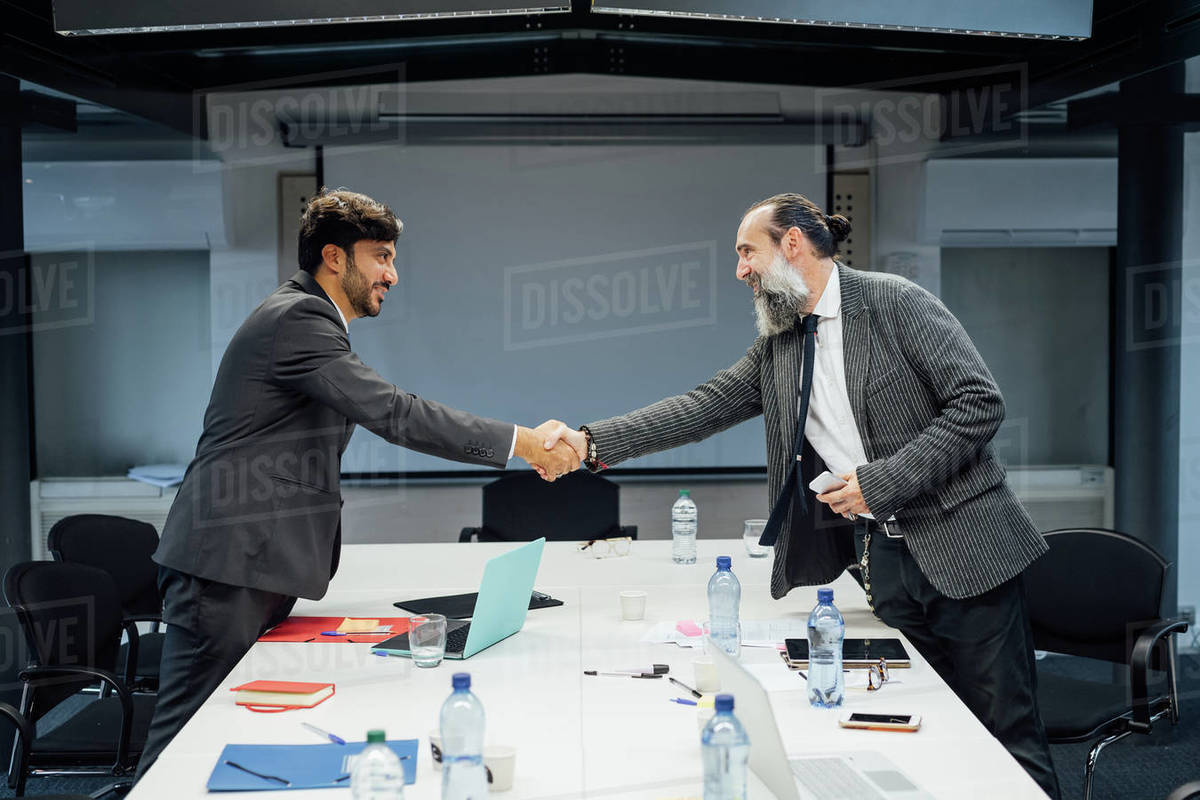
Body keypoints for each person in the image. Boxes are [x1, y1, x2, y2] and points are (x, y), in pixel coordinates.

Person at [540, 193, 1060, 798]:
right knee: (926, 731)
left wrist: (881, 481)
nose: (740, 270)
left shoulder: (894, 302)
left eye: (746, 252)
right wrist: (588, 441)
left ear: (792, 244)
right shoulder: (783, 339)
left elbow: (979, 403)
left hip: (970, 549)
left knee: (1006, 735)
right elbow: (705, 405)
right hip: (888, 563)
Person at [135, 188, 578, 781]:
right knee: (181, 745)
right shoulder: (298, 318)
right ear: (334, 258)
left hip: (251, 564)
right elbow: (396, 413)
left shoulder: (309, 319)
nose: (392, 274)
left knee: (230, 731)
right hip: (225, 564)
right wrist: (522, 442)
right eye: (381, 256)